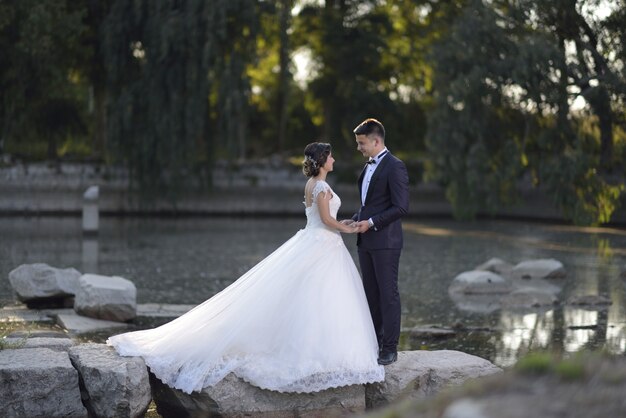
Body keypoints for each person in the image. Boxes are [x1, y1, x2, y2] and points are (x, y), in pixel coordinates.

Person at [107, 142, 384, 394]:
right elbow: (325, 220)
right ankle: (320, 354)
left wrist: (342, 224)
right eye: (331, 156)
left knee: (313, 297)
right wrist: (348, 228)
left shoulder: (312, 184)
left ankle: (323, 350)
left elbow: (322, 218)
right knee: (319, 298)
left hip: (316, 242)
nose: (334, 159)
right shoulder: (321, 187)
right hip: (323, 244)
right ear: (323, 160)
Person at [342, 118, 409, 365]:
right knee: (370, 294)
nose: (359, 148)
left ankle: (389, 349)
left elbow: (401, 207)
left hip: (386, 242)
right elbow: (371, 204)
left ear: (376, 140)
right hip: (366, 241)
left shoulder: (395, 166)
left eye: (362, 143)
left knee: (388, 295)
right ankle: (374, 343)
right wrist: (356, 219)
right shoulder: (368, 165)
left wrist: (371, 223)